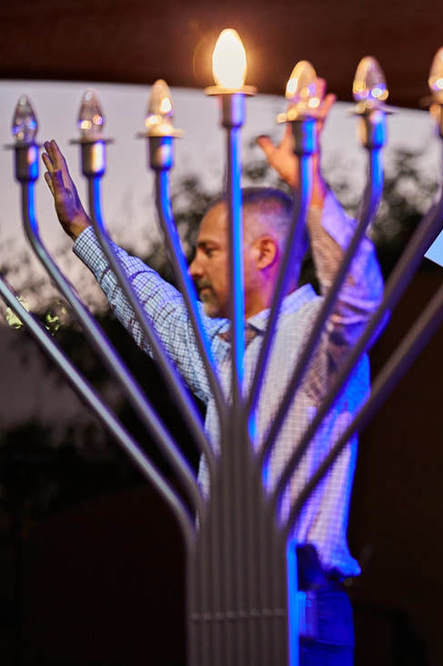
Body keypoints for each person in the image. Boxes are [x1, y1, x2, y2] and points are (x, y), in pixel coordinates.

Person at [40, 84, 382, 664]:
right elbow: (158, 310)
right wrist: (82, 230)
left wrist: (312, 187)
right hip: (224, 602)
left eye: (209, 251)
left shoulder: (321, 340)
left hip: (300, 609)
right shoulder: (227, 350)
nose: (193, 266)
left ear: (265, 254)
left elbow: (358, 294)